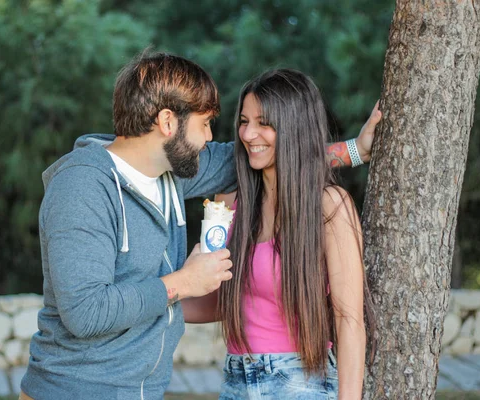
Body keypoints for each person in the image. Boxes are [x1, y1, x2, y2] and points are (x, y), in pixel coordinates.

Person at [20, 51, 379, 399]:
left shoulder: (172, 176)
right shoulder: (83, 187)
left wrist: (353, 151)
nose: (212, 138)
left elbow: (275, 156)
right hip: (72, 390)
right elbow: (85, 312)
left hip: (142, 391)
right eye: (205, 124)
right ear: (167, 122)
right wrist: (184, 283)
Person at [183, 69, 380, 399]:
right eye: (244, 121)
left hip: (301, 382)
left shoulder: (328, 206)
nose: (248, 133)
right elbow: (225, 302)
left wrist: (356, 150)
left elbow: (349, 321)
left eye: (264, 122)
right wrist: (158, 297)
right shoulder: (230, 201)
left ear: (293, 128)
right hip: (236, 381)